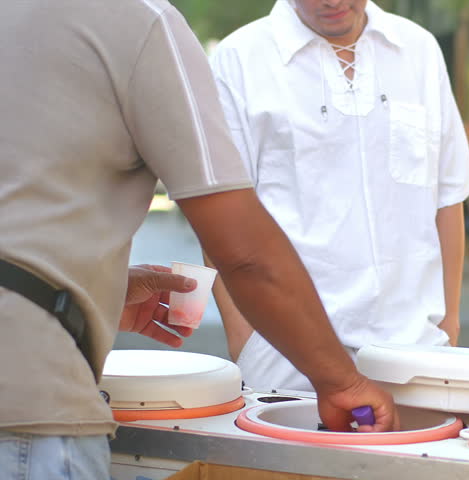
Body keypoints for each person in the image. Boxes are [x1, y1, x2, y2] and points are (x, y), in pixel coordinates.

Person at [0, 1, 399, 477]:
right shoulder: (140, 19)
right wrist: (343, 382)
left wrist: (87, 293)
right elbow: (245, 253)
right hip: (26, 398)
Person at [208, 0, 469, 392]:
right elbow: (221, 215)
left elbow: (448, 196)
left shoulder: (418, 49)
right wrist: (245, 341)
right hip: (287, 360)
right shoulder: (238, 61)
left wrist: (449, 325)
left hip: (418, 352)